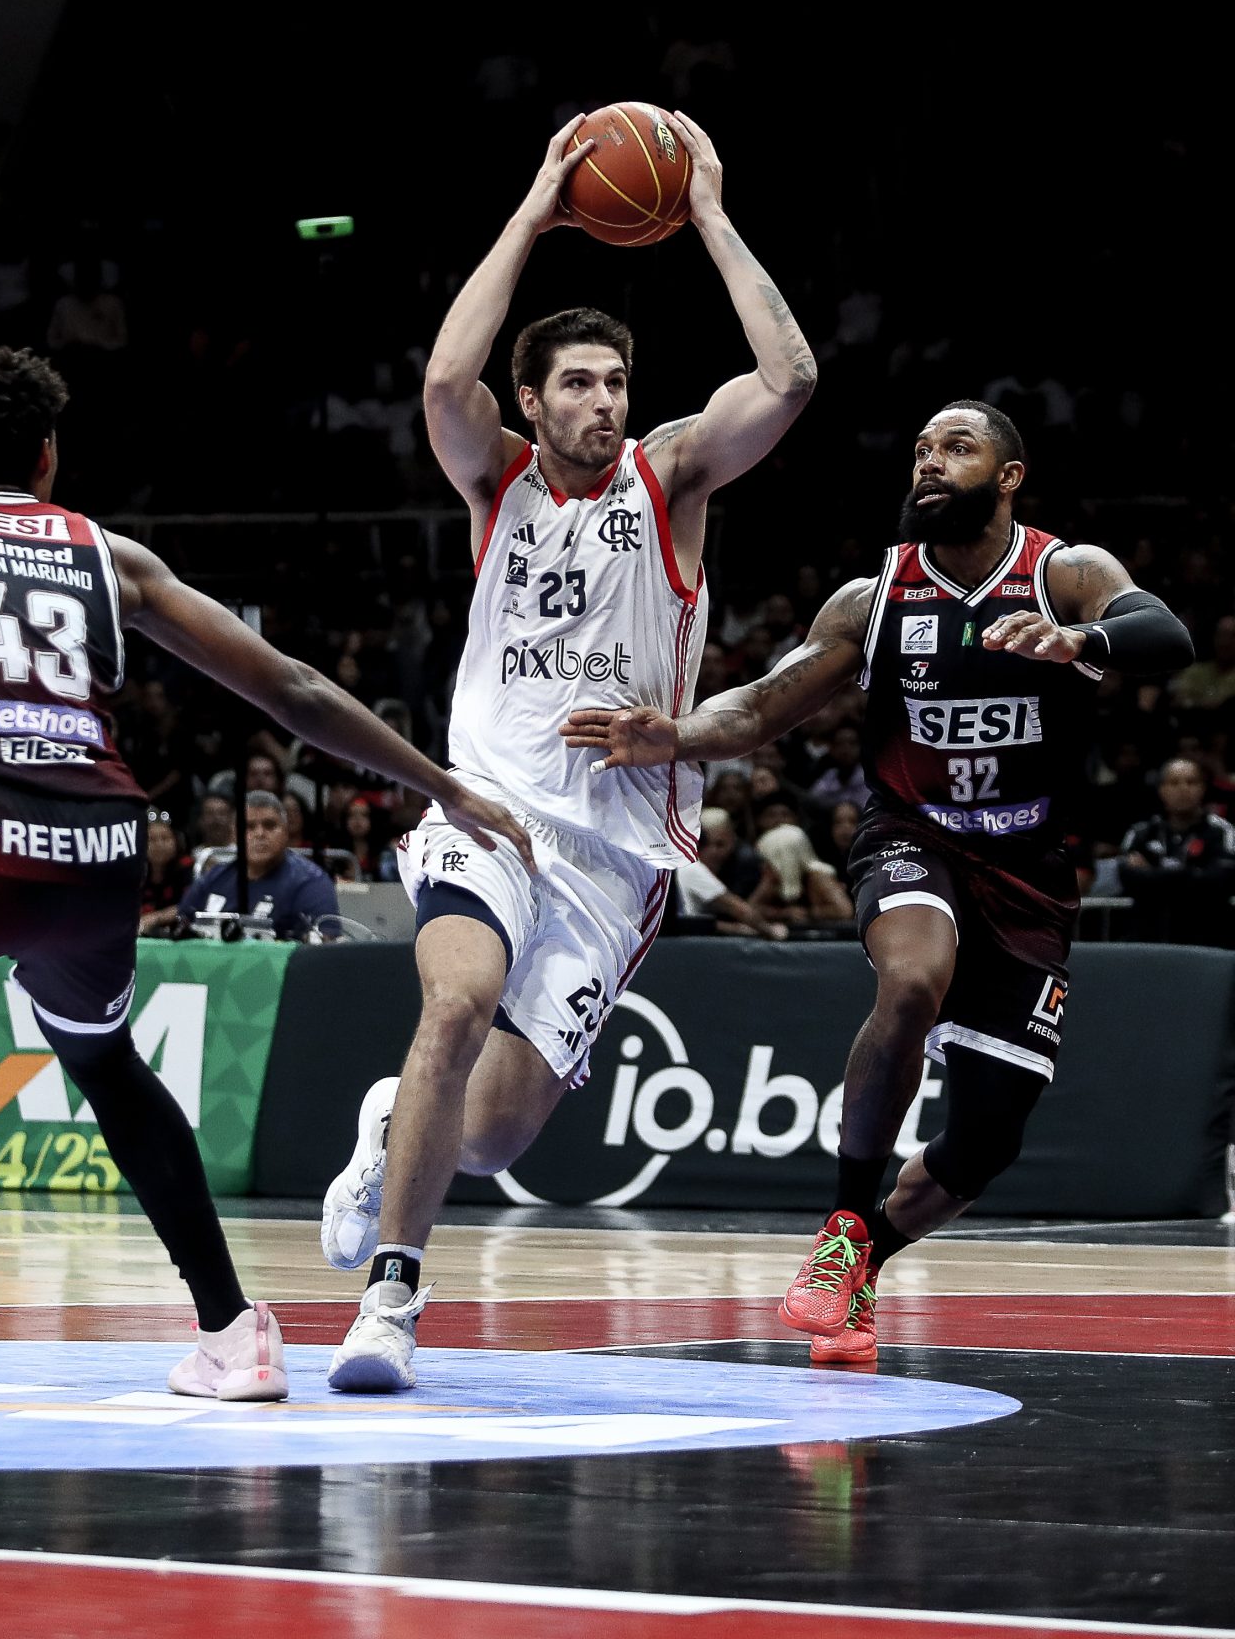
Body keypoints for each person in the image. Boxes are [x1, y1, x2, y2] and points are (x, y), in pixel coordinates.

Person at [0, 345, 532, 1405]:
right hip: (98, 851)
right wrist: (442, 784)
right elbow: (290, 686)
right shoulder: (112, 557)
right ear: (49, 458)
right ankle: (235, 1334)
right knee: (107, 1068)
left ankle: (233, 1330)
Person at [322, 109, 819, 1392]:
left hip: (615, 857)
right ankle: (393, 1295)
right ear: (533, 403)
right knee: (453, 999)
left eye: (616, 383)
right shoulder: (497, 484)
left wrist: (705, 212)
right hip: (487, 811)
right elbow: (441, 383)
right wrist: (536, 214)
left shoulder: (673, 482)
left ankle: (394, 1125)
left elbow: (790, 382)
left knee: (489, 1136)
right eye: (578, 384)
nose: (604, 402)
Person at [563, 400, 1193, 1367]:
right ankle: (847, 1222)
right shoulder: (875, 598)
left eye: (957, 447)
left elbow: (1165, 634)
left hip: (1030, 874)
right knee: (910, 979)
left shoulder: (1067, 574)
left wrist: (1084, 642)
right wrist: (677, 733)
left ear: (1010, 475)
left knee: (984, 1145)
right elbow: (770, 701)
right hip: (914, 838)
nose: (930, 462)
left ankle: (859, 1268)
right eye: (921, 449)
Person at [144, 791, 340, 940]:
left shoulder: (311, 882)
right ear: (234, 833)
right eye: (249, 827)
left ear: (286, 831)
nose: (259, 834)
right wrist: (155, 919)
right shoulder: (216, 877)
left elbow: (325, 943)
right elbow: (183, 917)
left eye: (270, 825)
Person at [1117, 758, 1235, 946]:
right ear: (1162, 789)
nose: (1183, 789)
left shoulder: (1222, 832)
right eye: (1174, 783)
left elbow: (1220, 881)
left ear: (1203, 788)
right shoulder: (1141, 832)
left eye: (1191, 782)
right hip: (1148, 939)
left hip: (1207, 940)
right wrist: (1191, 873)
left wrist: (1153, 873)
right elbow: (1128, 879)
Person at [675, 807, 787, 940]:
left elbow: (698, 921)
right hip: (685, 943)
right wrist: (771, 931)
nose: (715, 852)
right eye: (710, 844)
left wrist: (738, 929)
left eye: (721, 845)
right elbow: (736, 908)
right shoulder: (692, 868)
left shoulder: (678, 864)